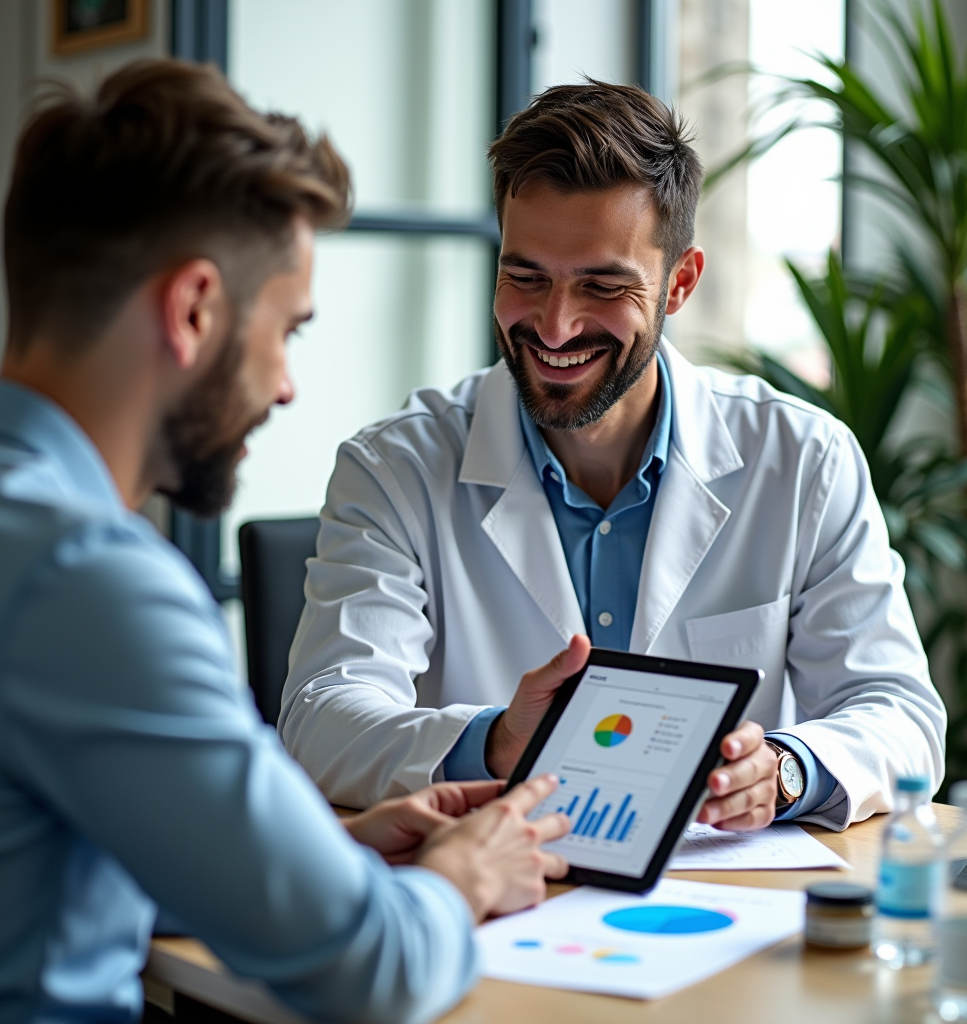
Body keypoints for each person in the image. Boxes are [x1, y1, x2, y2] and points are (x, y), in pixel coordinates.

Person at [0, 60, 575, 1024]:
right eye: (287, 331)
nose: (284, 388)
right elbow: (371, 972)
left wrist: (331, 851)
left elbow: (69, 842)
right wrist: (465, 877)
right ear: (193, 310)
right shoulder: (85, 581)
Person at [280, 81, 947, 832]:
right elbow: (321, 719)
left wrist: (785, 770)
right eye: (524, 277)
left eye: (602, 286)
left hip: (723, 903)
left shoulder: (803, 458)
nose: (556, 327)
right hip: (496, 893)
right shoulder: (395, 466)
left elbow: (901, 715)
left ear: (680, 284)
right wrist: (497, 743)